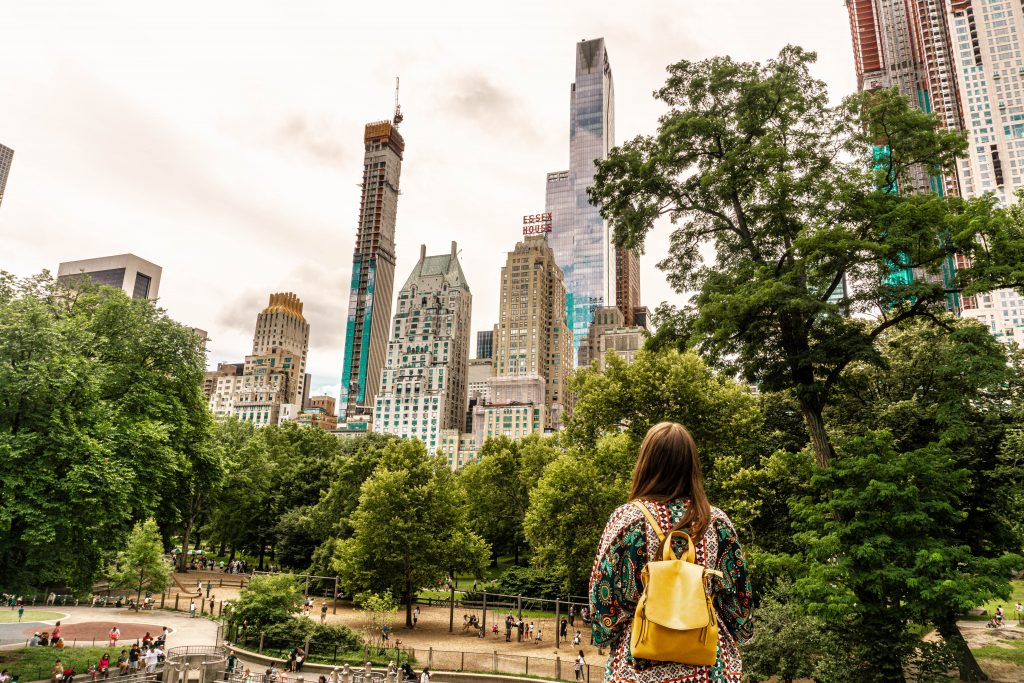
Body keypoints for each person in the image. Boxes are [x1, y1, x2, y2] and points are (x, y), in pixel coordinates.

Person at [589, 422, 753, 683]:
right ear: (691, 465)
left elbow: (603, 601)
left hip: (639, 665)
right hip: (710, 666)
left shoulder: (627, 520)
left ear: (646, 462)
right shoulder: (717, 522)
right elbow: (739, 602)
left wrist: (608, 636)